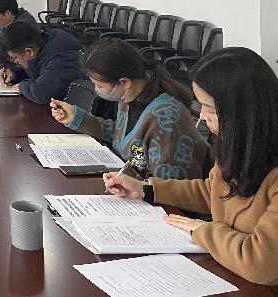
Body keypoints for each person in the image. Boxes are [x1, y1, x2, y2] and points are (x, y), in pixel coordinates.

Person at [104, 47, 278, 286]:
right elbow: (214, 191)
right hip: (228, 271)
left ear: (243, 111)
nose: (202, 117)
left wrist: (202, 231)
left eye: (210, 109)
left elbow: (260, 263)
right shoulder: (237, 144)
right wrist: (145, 189)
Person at [50, 38, 209, 180]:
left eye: (100, 85)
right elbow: (121, 137)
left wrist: (130, 182)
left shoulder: (167, 119)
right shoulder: (128, 97)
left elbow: (169, 186)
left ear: (124, 82)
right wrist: (77, 118)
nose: (96, 89)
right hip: (126, 185)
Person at [0, 20, 82, 104]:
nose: (15, 62)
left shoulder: (61, 58)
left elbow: (42, 92)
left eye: (15, 58)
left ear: (29, 51)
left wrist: (21, 86)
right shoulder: (43, 44)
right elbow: (39, 68)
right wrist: (15, 73)